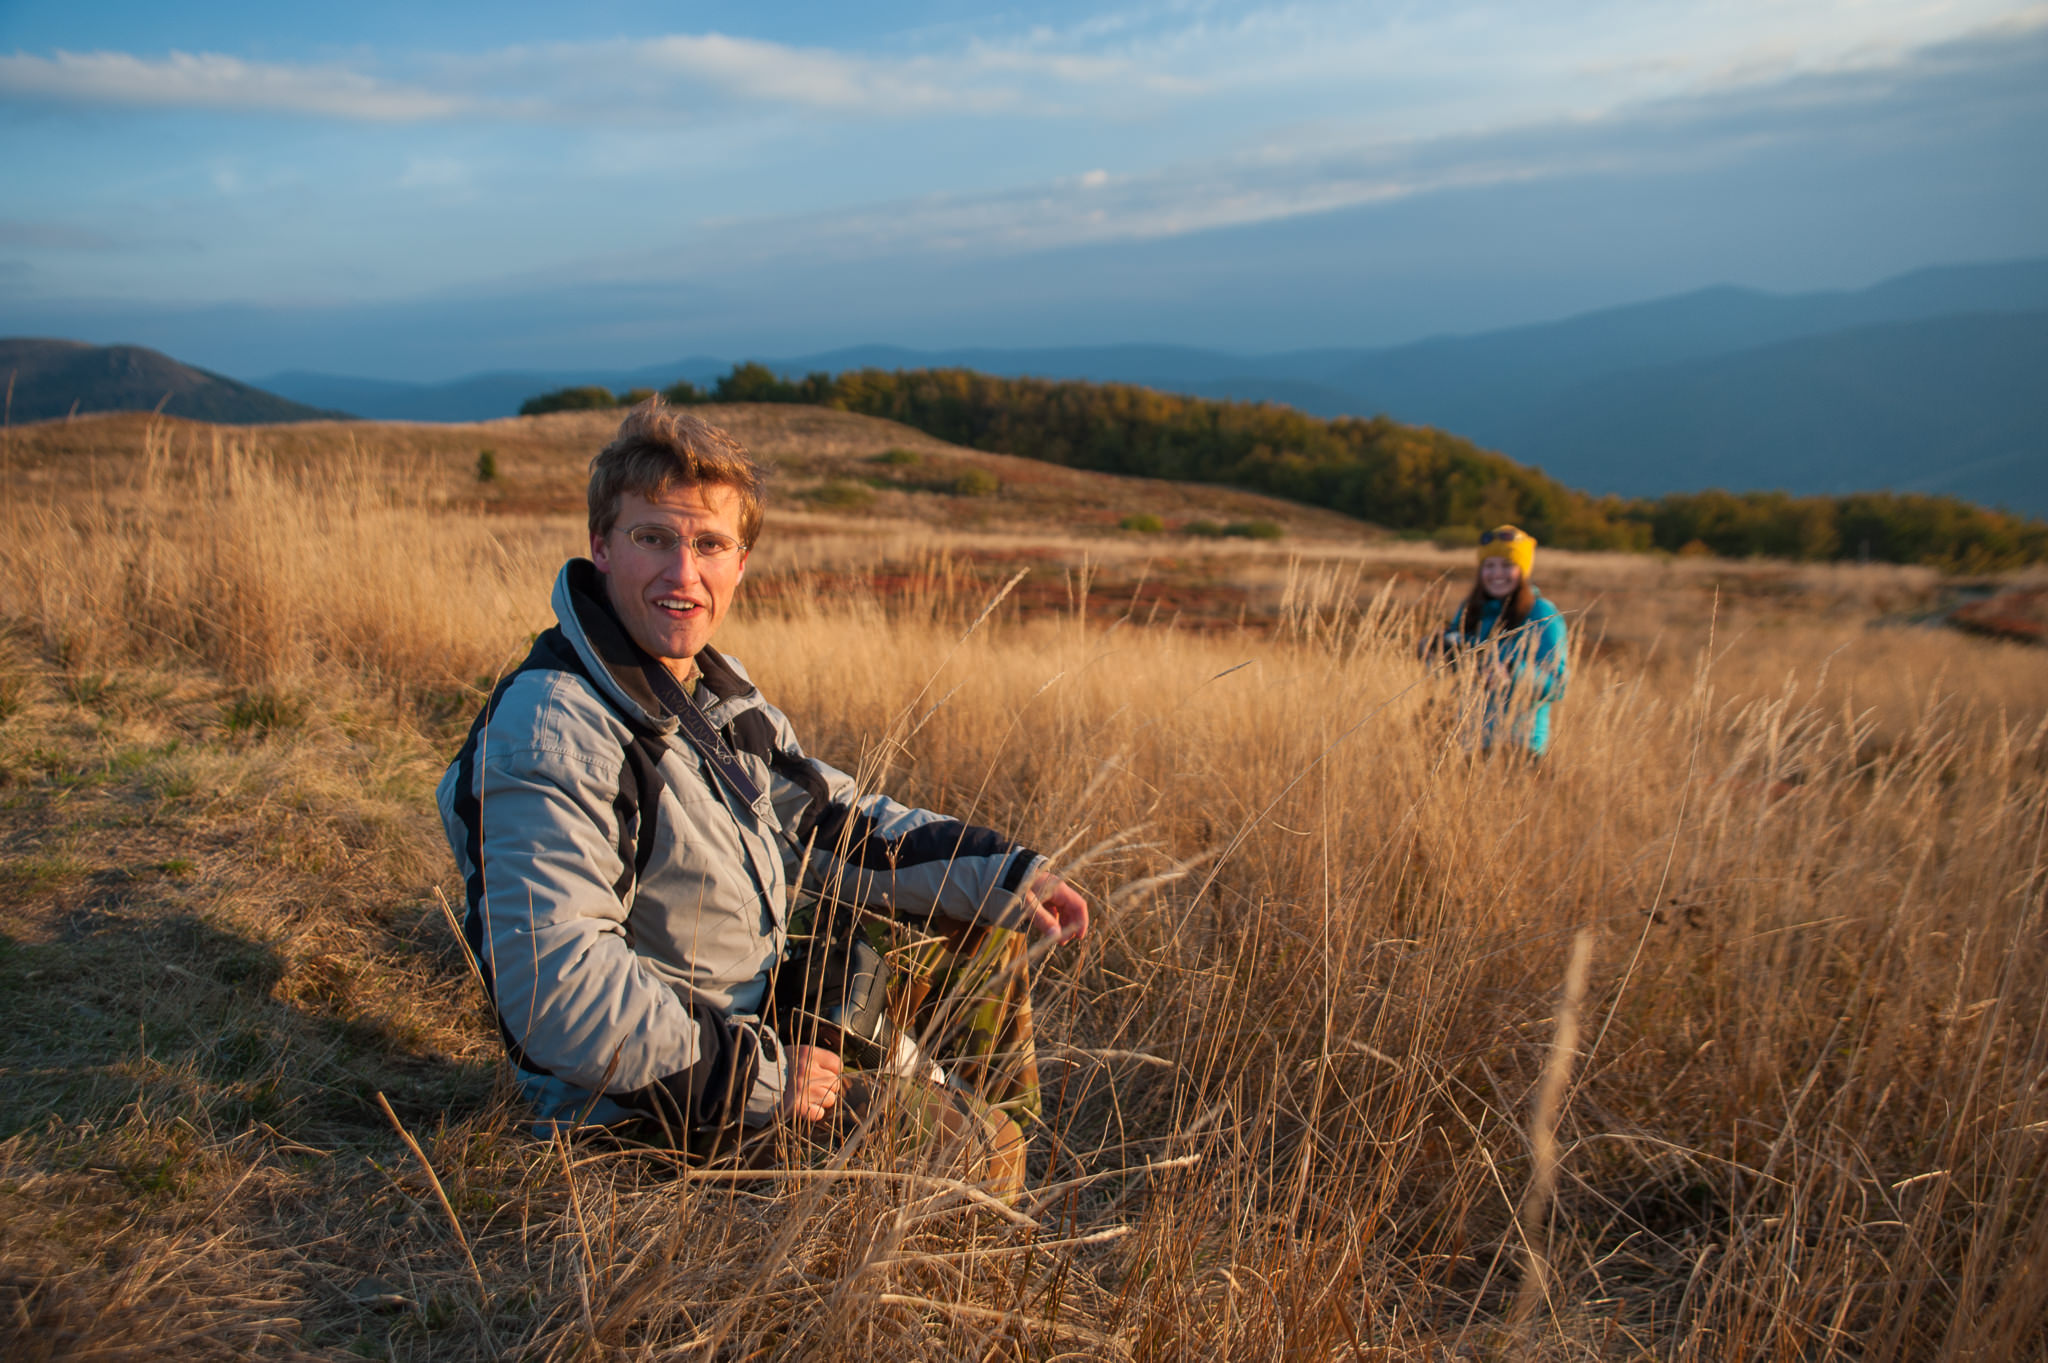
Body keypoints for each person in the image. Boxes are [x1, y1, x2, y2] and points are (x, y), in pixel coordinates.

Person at [436, 401, 1086, 1197]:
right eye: (654, 539)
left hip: (745, 1018)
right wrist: (764, 1079)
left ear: (740, 562)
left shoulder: (707, 690)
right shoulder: (558, 725)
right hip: (645, 1110)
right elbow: (558, 986)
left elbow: (827, 821)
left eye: (709, 544)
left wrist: (1008, 873)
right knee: (976, 1155)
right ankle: (973, 1198)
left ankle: (974, 1137)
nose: (684, 574)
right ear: (601, 547)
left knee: (989, 928)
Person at [1421, 524, 1568, 757]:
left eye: (1507, 565)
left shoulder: (1541, 613)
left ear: (1523, 571)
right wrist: (1435, 652)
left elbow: (1557, 686)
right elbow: (1455, 669)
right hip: (1471, 741)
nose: (1497, 574)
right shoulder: (1471, 610)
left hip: (1519, 746)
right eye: (1489, 566)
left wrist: (1510, 672)